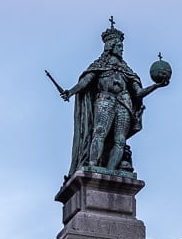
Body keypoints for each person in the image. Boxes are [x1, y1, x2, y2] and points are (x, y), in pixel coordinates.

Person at [60, 18, 169, 175]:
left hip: (124, 103)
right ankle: (93, 165)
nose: (121, 49)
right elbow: (85, 82)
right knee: (99, 132)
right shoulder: (99, 65)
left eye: (121, 46)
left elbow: (139, 93)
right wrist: (70, 92)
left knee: (120, 140)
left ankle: (111, 171)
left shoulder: (127, 70)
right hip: (105, 100)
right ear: (110, 46)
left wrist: (156, 86)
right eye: (118, 46)